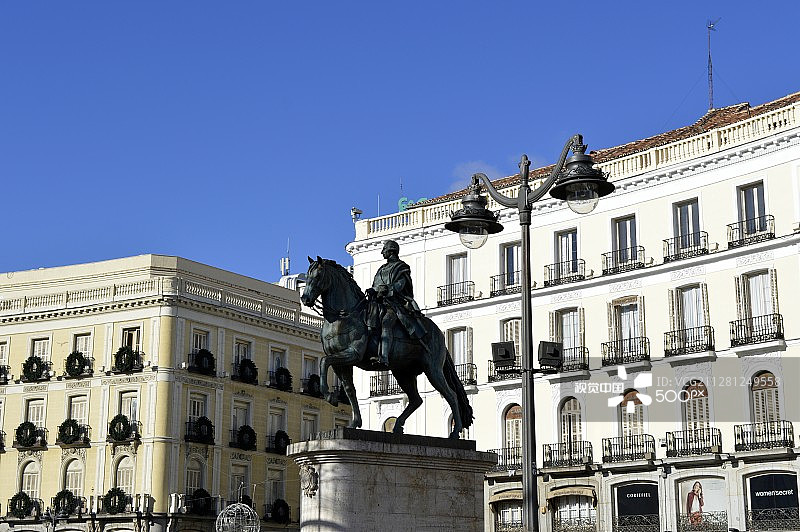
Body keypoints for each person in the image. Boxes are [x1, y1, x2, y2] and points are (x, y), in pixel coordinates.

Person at [366, 240, 426, 365]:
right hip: (377, 303)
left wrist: (387, 289)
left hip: (394, 304)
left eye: (384, 249)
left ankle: (384, 357)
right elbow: (376, 285)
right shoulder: (381, 269)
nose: (382, 252)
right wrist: (373, 290)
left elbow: (400, 285)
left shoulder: (401, 267)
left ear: (391, 250)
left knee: (386, 322)